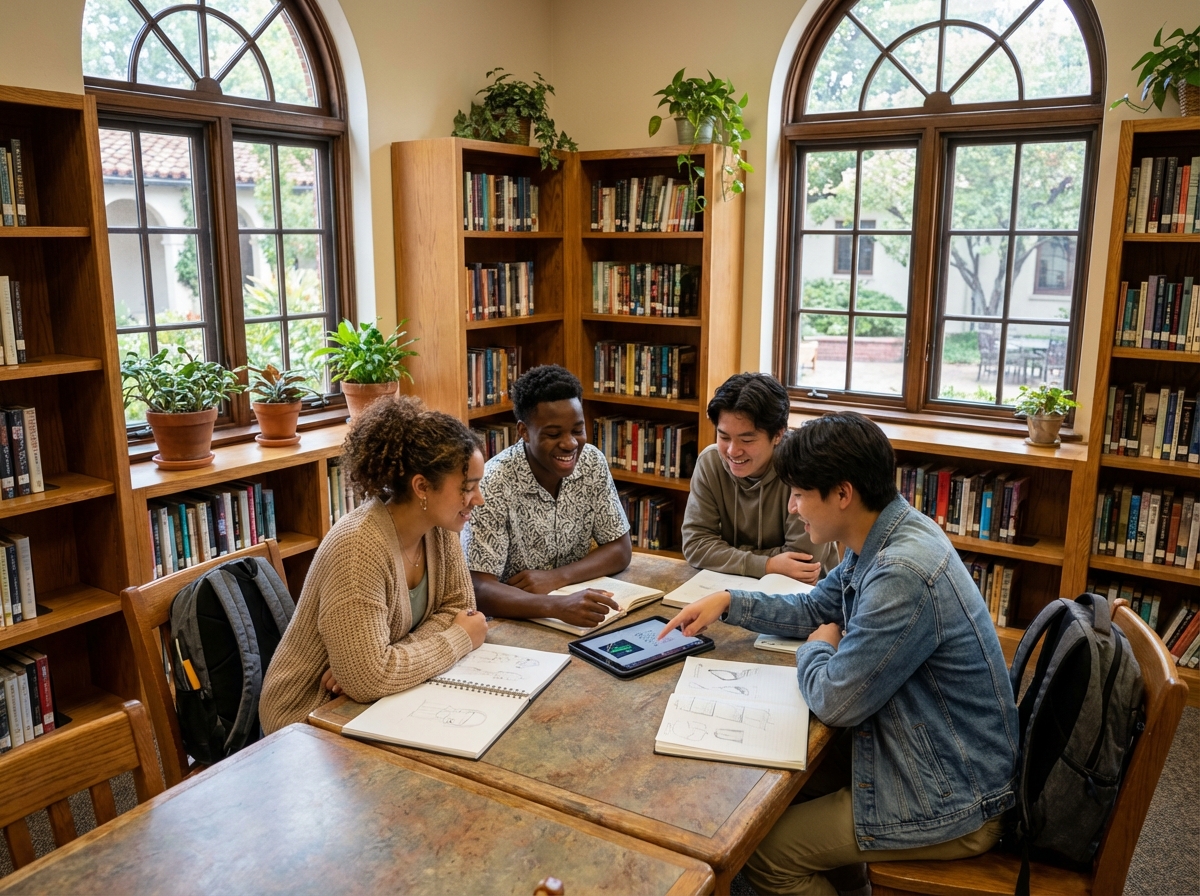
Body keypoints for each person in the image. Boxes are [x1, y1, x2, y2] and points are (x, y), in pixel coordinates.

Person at [661, 413, 1018, 895]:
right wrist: (731, 601)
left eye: (799, 493)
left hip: (950, 792)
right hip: (924, 751)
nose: (791, 508)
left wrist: (816, 652)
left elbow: (835, 700)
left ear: (843, 494)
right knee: (779, 794)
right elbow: (816, 606)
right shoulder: (884, 530)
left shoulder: (901, 574)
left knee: (765, 855)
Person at [259, 396, 488, 733]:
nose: (478, 499)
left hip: (373, 702)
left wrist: (387, 658)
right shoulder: (358, 548)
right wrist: (458, 639)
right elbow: (371, 678)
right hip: (308, 717)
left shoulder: (440, 528)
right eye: (468, 488)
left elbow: (459, 610)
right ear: (421, 487)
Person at [463, 364, 632, 628]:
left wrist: (556, 577)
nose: (570, 443)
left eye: (577, 430)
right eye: (553, 434)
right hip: (513, 624)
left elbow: (620, 549)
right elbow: (478, 587)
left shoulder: (591, 462)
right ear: (523, 431)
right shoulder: (493, 482)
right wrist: (556, 606)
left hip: (576, 611)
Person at [682, 372, 837, 583]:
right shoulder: (710, 462)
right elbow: (696, 545)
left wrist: (724, 553)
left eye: (747, 440)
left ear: (778, 435)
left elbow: (803, 563)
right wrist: (768, 565)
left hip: (808, 596)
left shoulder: (806, 467)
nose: (732, 451)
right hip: (727, 586)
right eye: (724, 437)